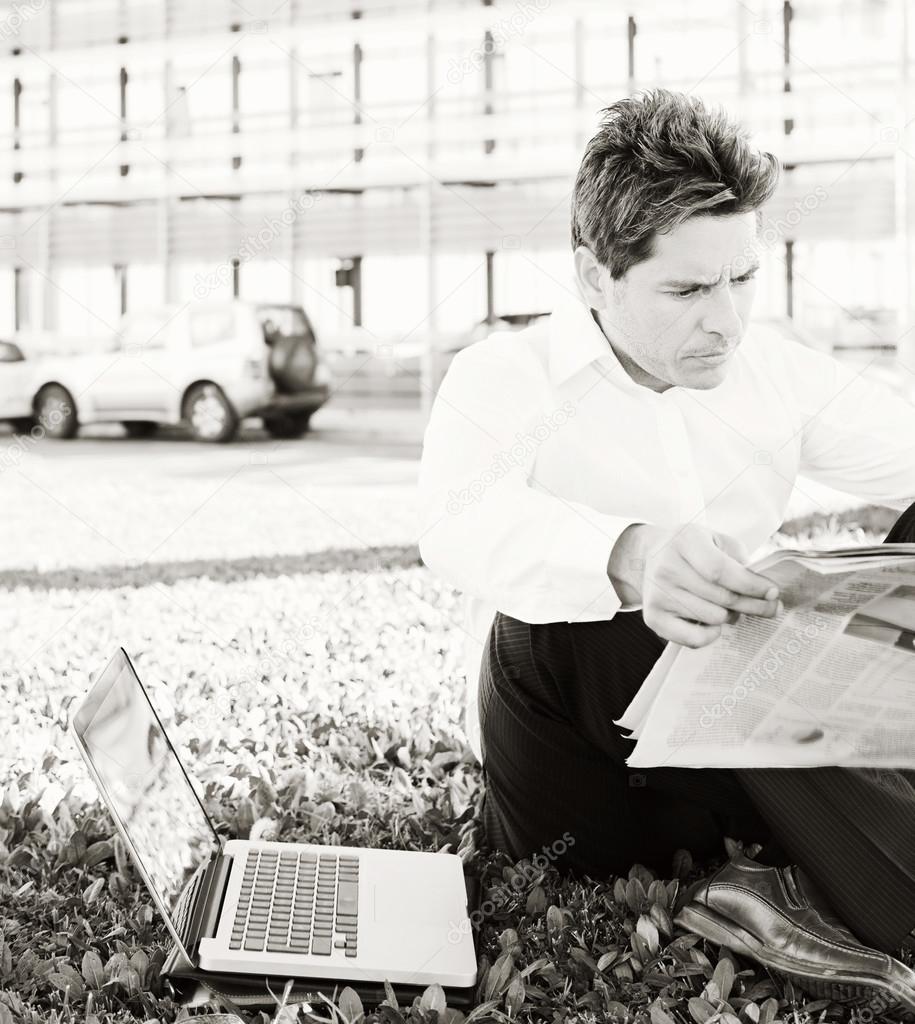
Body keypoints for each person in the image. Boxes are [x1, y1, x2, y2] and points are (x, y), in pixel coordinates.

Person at [417, 87, 915, 1007]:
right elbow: (452, 527)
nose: (725, 319)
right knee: (577, 620)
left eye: (742, 278)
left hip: (747, 761)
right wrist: (631, 557)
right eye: (686, 290)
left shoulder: (774, 369)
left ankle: (787, 888)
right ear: (594, 276)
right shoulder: (503, 378)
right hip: (585, 766)